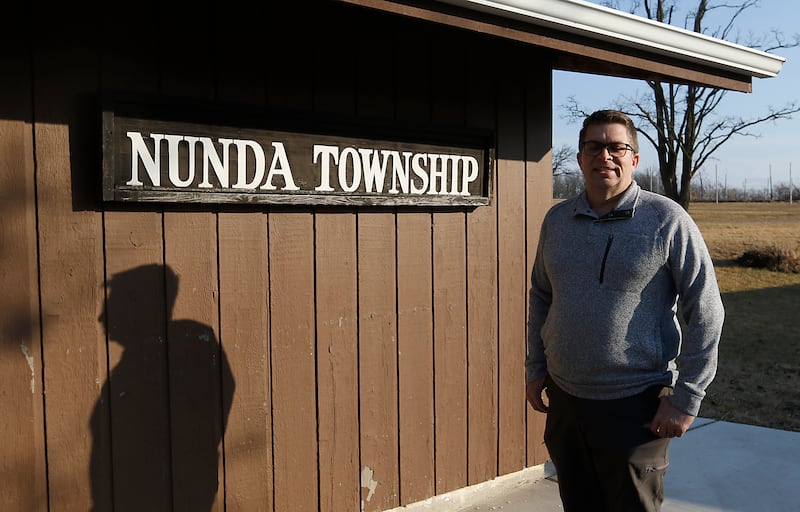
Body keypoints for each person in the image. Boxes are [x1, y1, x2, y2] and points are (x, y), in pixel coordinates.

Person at [525, 109, 724, 512]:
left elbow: (707, 311)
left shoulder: (666, 220)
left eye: (617, 147)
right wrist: (536, 367)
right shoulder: (558, 220)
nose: (605, 156)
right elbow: (542, 296)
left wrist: (686, 399)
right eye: (594, 147)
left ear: (634, 159)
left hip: (637, 406)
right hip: (566, 402)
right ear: (580, 158)